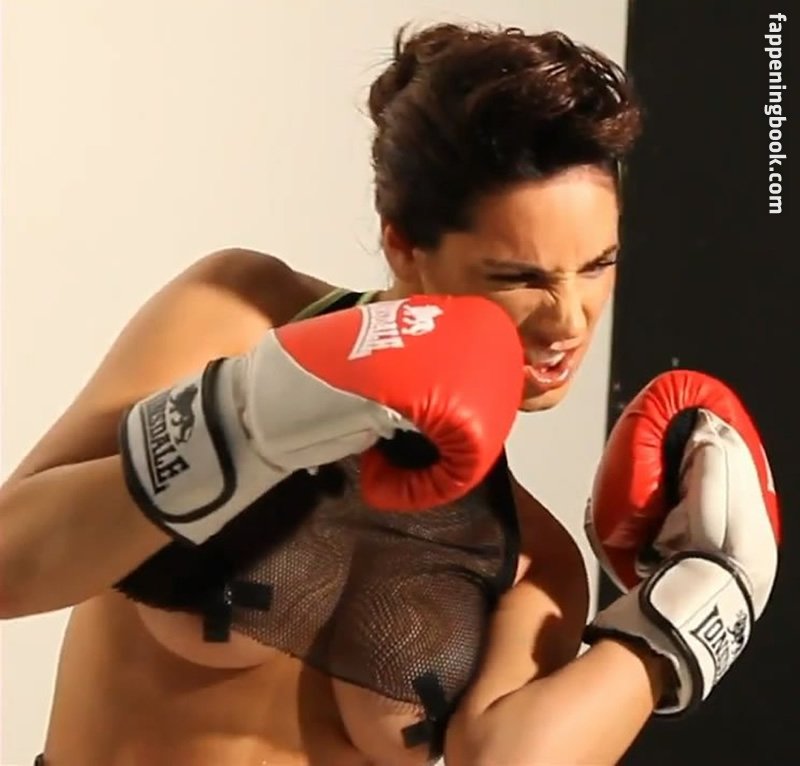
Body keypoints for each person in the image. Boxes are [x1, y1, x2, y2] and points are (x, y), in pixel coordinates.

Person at [0, 21, 780, 766]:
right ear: (403, 244)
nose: (569, 320)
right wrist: (250, 417)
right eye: (521, 276)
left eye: (598, 265)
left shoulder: (530, 557)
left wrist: (703, 598)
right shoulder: (240, 314)